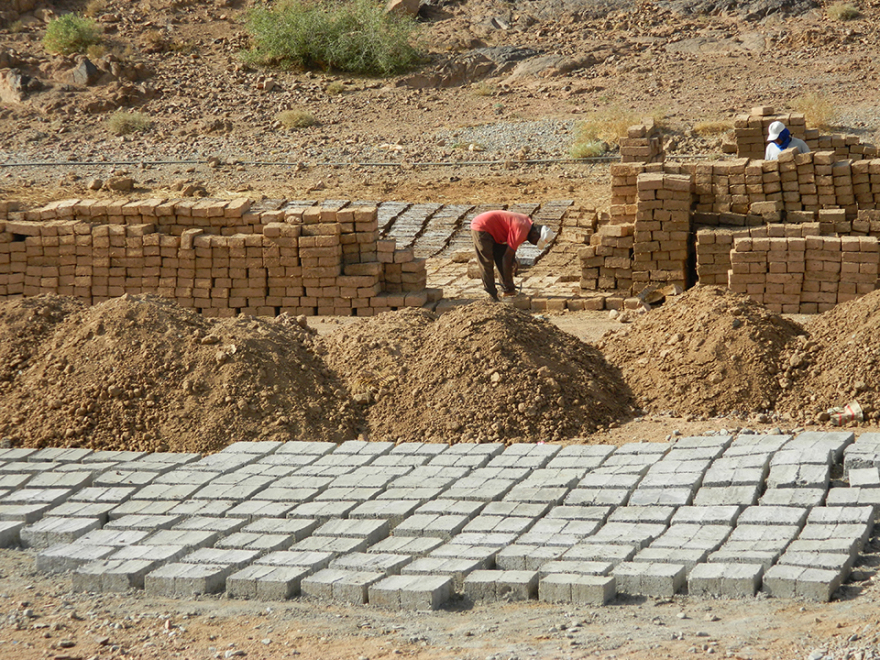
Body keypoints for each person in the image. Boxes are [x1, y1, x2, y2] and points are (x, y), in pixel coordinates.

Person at [471, 210, 555, 301]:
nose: (534, 244)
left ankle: (508, 290)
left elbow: (508, 251)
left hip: (498, 233)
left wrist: (511, 260)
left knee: (502, 257)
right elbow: (507, 258)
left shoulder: (527, 224)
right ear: (535, 234)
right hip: (482, 226)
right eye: (536, 242)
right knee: (486, 261)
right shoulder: (522, 230)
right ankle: (491, 294)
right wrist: (510, 261)